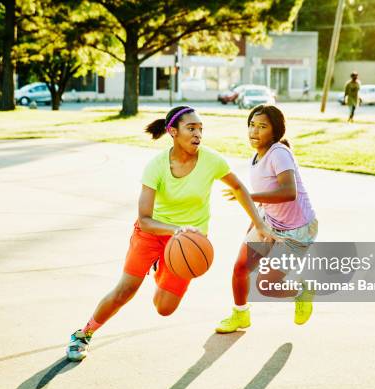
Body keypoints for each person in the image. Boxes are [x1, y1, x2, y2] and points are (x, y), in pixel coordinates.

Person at [67, 105, 278, 361]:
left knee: (164, 309)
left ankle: (163, 266)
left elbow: (238, 188)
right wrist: (175, 230)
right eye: (191, 128)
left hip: (188, 243)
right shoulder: (156, 166)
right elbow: (144, 220)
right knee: (126, 290)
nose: (198, 134)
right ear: (172, 132)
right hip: (153, 233)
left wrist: (259, 223)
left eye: (200, 129)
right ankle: (83, 334)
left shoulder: (211, 160)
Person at [215, 104, 319, 334]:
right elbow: (265, 201)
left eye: (262, 126)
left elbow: (288, 192)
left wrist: (246, 196)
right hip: (270, 221)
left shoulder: (279, 153)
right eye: (252, 125)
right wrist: (255, 224)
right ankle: (240, 315)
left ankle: (301, 291)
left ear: (275, 131)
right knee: (241, 268)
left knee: (266, 285)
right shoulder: (257, 156)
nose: (254, 131)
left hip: (297, 229)